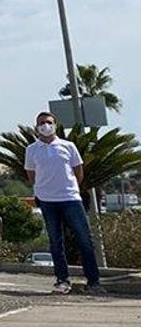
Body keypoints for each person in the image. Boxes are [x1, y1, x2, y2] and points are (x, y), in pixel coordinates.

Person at [25, 111, 104, 295]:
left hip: (70, 198)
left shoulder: (68, 146)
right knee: (55, 242)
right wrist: (42, 191)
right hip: (47, 201)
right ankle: (62, 280)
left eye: (49, 122)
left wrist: (72, 187)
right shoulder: (32, 150)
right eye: (42, 123)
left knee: (84, 239)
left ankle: (93, 281)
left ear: (55, 124)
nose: (46, 125)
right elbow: (31, 175)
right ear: (37, 127)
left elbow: (78, 170)